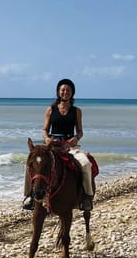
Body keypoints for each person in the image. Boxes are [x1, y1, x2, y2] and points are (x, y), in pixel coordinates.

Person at [23, 78, 94, 211]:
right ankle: (29, 196)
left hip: (70, 146)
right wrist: (46, 139)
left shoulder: (76, 111)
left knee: (85, 164)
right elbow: (45, 129)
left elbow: (80, 131)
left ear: (72, 93)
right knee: (30, 164)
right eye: (63, 90)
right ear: (58, 92)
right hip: (52, 146)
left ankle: (86, 197)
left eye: (68, 90)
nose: (65, 92)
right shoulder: (50, 109)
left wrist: (76, 138)